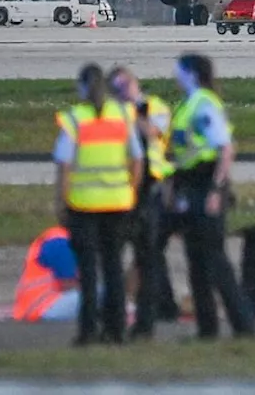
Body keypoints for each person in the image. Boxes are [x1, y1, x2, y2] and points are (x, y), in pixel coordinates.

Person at [167, 53, 255, 340]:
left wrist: (216, 190)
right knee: (196, 261)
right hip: (188, 183)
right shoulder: (186, 104)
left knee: (215, 259)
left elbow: (225, 148)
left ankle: (244, 326)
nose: (175, 75)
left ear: (192, 73)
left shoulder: (203, 104)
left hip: (205, 184)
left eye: (180, 70)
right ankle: (207, 328)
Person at [53, 63, 143, 345]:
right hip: (118, 203)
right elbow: (137, 160)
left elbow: (64, 165)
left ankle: (89, 331)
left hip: (83, 205)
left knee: (89, 272)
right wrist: (130, 189)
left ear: (81, 87)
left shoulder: (75, 118)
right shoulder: (123, 115)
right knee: (114, 268)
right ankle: (117, 330)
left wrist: (61, 200)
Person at [107, 66, 178, 338]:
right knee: (149, 252)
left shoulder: (154, 107)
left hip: (156, 185)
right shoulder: (114, 112)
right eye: (117, 88)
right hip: (127, 188)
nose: (123, 92)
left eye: (127, 85)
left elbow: (154, 132)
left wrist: (131, 111)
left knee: (151, 250)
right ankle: (161, 304)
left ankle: (160, 306)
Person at [13, 226, 84, 323]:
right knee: (104, 293)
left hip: (36, 306)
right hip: (44, 306)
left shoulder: (59, 238)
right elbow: (67, 284)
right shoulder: (60, 242)